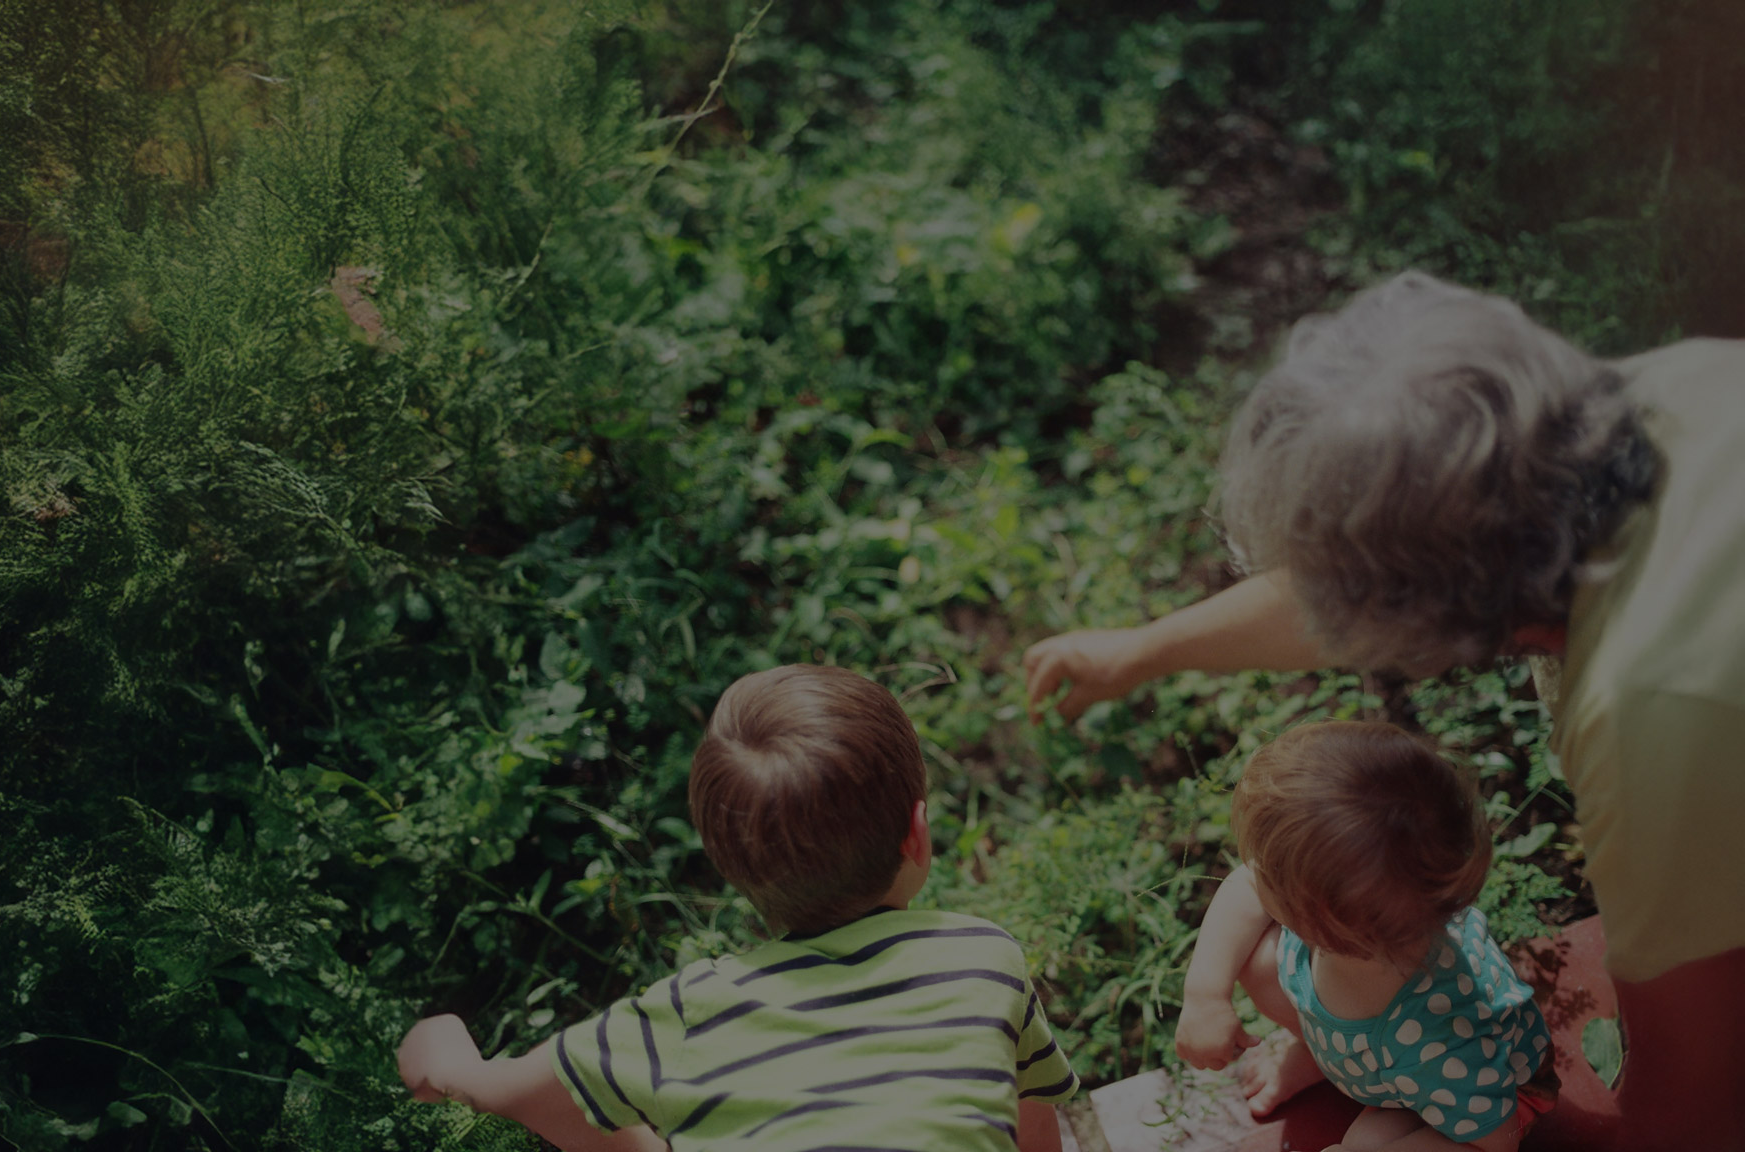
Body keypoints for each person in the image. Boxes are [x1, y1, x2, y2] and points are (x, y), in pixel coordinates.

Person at [1022, 271, 1745, 1152]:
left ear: (1429, 619)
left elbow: (1693, 1114)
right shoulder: (1646, 399)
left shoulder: (1654, 716)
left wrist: (1507, 1131)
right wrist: (1147, 650)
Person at [397, 663, 1079, 1151]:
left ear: (731, 869)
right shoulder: (983, 958)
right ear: (919, 833)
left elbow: (517, 1092)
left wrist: (446, 1053)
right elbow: (1035, 1137)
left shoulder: (689, 1012)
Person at [1178, 721, 1558, 1152]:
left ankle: (1335, 1065)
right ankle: (1319, 1054)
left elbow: (1496, 1141)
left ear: (1317, 921)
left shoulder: (1440, 1042)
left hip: (1490, 1099)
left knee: (1364, 1143)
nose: (1251, 874)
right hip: (1382, 1060)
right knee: (1248, 956)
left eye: (1265, 872)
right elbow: (1246, 889)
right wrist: (1205, 995)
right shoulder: (1361, 928)